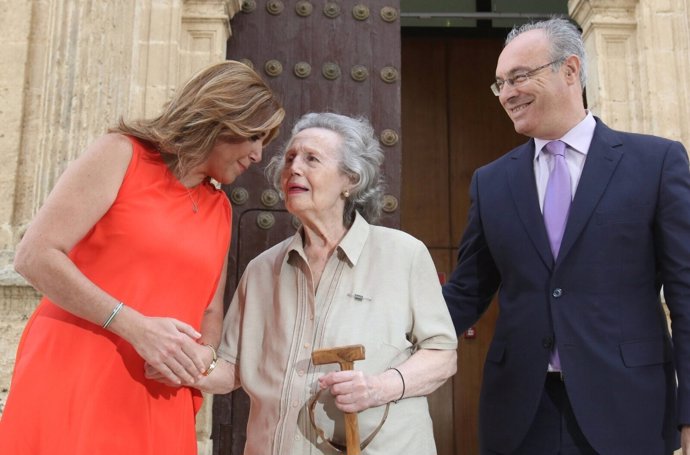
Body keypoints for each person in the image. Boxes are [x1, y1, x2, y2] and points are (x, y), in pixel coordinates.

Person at [0, 60, 284, 455]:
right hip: (77, 368)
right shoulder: (121, 155)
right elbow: (34, 255)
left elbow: (209, 314)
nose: (257, 155)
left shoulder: (220, 208)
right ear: (221, 120)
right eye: (255, 137)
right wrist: (136, 328)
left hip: (159, 388)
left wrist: (199, 358)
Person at [442, 16, 690, 455]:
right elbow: (467, 292)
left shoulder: (656, 163)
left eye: (518, 77)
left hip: (630, 408)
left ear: (570, 70)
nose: (507, 93)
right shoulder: (491, 181)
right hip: (520, 414)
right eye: (499, 83)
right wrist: (388, 341)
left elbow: (686, 293)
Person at [167, 112, 458, 454]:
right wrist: (171, 359)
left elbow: (442, 356)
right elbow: (230, 369)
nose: (294, 169)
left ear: (350, 179)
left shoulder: (404, 254)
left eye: (311, 159)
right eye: (290, 158)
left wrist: (379, 388)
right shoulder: (261, 270)